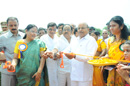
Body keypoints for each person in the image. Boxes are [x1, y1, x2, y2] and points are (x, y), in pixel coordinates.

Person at [104, 16, 129, 86]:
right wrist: (105, 58)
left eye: (114, 26)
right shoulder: (110, 40)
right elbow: (108, 54)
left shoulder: (128, 40)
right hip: (111, 71)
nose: (111, 28)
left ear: (121, 26)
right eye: (110, 26)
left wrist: (123, 62)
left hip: (124, 72)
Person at [0, 17, 24, 86]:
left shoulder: (24, 36)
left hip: (22, 70)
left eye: (15, 25)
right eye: (11, 25)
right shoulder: (2, 38)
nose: (13, 27)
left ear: (18, 25)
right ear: (7, 25)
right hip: (8, 71)